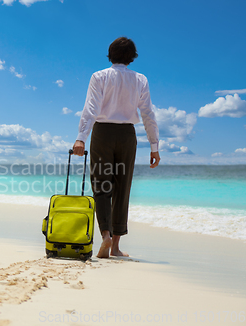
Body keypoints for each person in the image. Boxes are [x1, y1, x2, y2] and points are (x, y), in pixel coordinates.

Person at [72, 37, 160, 258]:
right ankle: (116, 247)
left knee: (101, 185)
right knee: (122, 187)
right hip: (127, 135)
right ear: (132, 57)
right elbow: (148, 113)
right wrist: (154, 145)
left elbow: (90, 108)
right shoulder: (140, 79)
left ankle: (105, 236)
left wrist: (81, 137)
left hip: (102, 132)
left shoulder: (99, 76)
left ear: (110, 54)